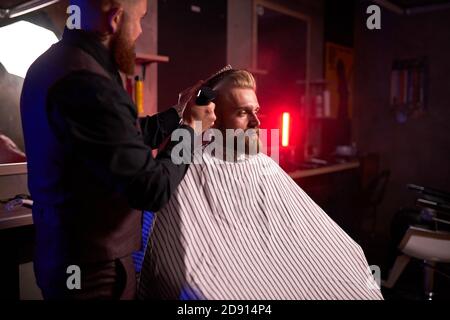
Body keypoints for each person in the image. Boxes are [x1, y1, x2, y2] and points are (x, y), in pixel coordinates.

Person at [20, 0, 215, 300]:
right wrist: (190, 129)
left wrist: (177, 113)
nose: (138, 31)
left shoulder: (55, 64)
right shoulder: (87, 83)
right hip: (92, 274)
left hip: (68, 258)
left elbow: (122, 136)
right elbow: (152, 188)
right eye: (139, 20)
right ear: (115, 20)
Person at [138, 69, 383, 300]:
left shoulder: (262, 164)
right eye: (243, 113)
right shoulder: (187, 164)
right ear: (213, 120)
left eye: (256, 111)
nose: (256, 121)